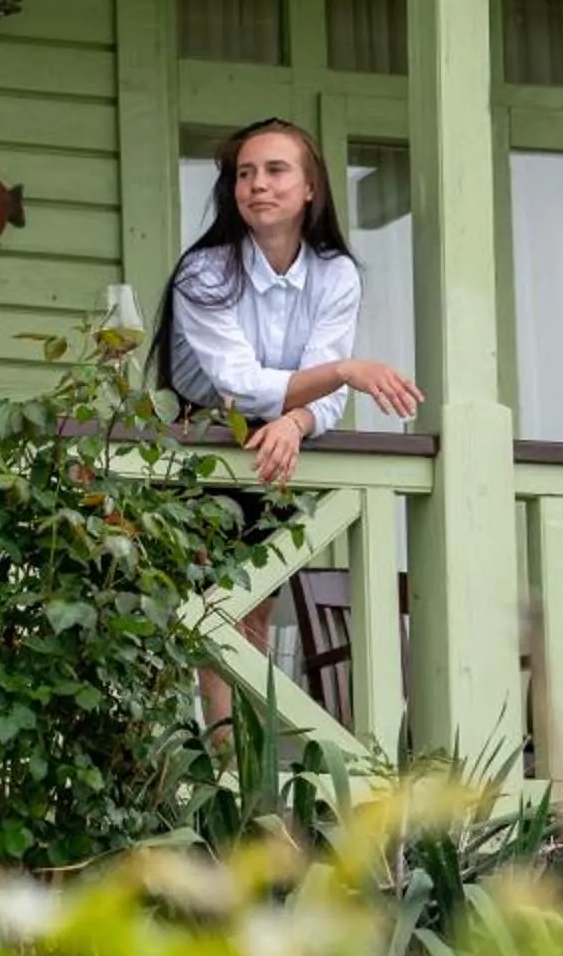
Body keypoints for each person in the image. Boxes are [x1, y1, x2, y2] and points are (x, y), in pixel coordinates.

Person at [152, 117, 424, 738]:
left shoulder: (336, 274)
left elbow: (323, 401)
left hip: (274, 444)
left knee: (255, 609)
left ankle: (250, 758)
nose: (257, 184)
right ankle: (221, 755)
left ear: (310, 189)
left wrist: (298, 422)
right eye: (244, 173)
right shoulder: (204, 272)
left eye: (276, 170)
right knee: (211, 610)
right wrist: (345, 371)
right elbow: (241, 386)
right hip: (202, 443)